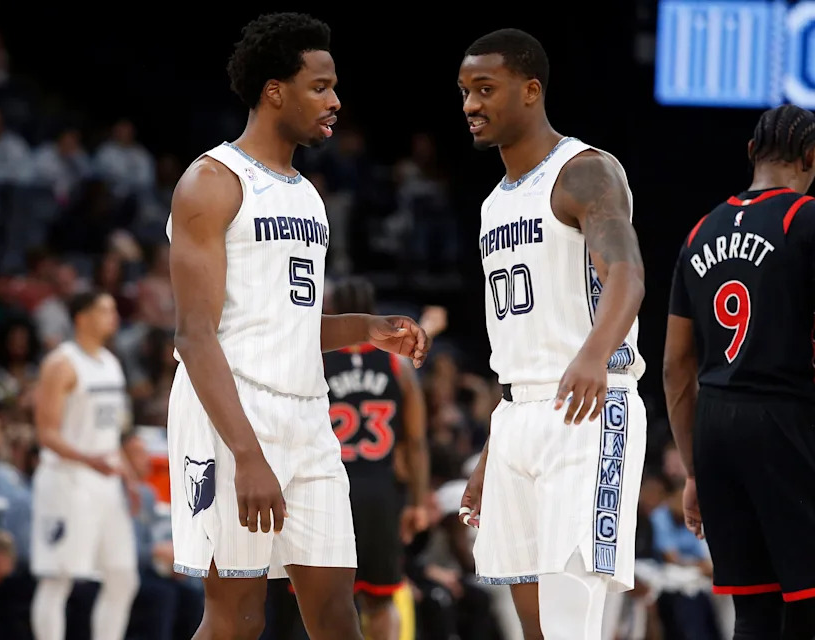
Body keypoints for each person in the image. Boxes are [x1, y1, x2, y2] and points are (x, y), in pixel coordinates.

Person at [165, 12, 430, 640]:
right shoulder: (212, 182)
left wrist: (365, 327)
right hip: (231, 412)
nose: (335, 101)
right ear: (274, 91)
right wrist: (247, 454)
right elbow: (195, 335)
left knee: (338, 611)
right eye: (320, 86)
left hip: (308, 414)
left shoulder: (308, 195)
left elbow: (284, 323)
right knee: (236, 619)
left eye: (334, 86)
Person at [455, 29, 648, 640]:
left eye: (485, 89)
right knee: (534, 630)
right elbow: (523, 342)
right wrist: (492, 452)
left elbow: (627, 274)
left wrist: (594, 354)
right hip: (517, 418)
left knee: (571, 626)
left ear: (531, 90)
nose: (471, 104)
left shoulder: (583, 171)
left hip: (588, 407)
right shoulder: (493, 204)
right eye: (465, 91)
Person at [664, 104, 815, 640]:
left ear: (750, 152)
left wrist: (694, 470)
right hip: (788, 420)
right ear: (812, 157)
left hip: (716, 431)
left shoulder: (700, 231)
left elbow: (675, 366)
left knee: (755, 614)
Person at [323, 276, 430, 640]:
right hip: (380, 492)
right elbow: (415, 442)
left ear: (333, 310)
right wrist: (417, 501)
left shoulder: (317, 360)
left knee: (322, 602)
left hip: (330, 489)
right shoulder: (396, 364)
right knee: (380, 602)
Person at [29, 290, 139, 640]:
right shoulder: (61, 364)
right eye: (104, 310)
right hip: (67, 479)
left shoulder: (111, 363)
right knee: (57, 578)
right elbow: (46, 433)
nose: (113, 316)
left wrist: (129, 476)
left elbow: (111, 433)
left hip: (106, 480)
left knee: (123, 576)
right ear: (81, 317)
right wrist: (90, 460)